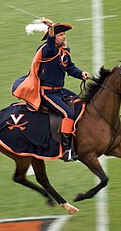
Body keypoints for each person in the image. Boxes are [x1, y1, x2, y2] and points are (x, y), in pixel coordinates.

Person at [13, 18, 90, 162]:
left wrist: (81, 74)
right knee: (68, 113)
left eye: (65, 34)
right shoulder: (48, 50)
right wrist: (51, 29)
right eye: (61, 35)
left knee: (80, 103)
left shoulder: (65, 51)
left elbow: (70, 68)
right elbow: (50, 46)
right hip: (47, 93)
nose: (65, 37)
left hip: (59, 91)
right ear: (54, 37)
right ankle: (67, 151)